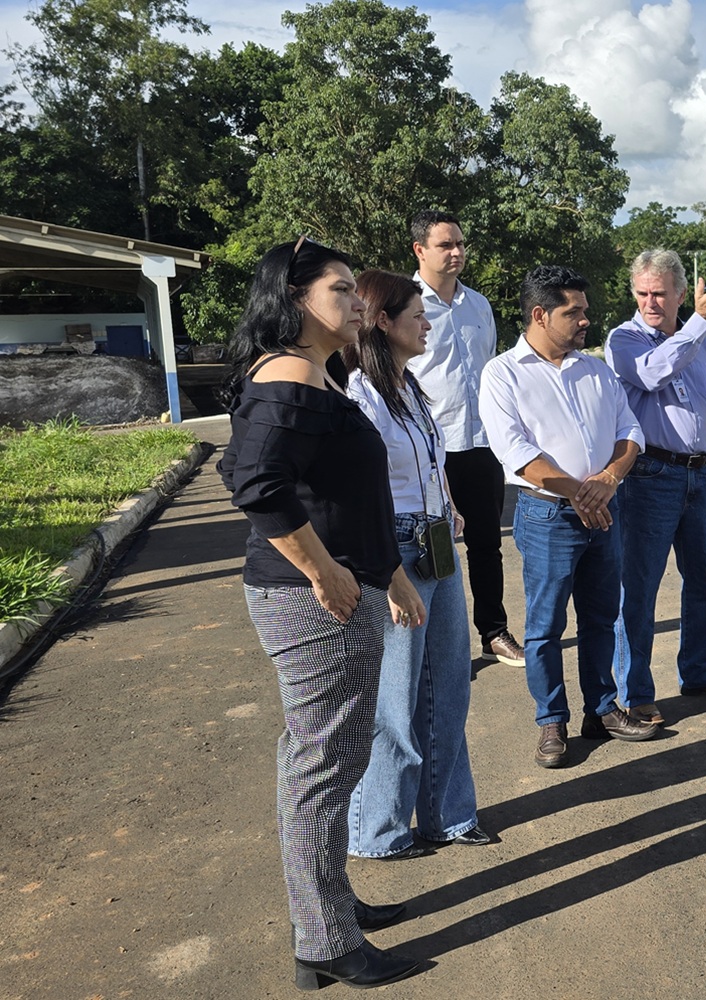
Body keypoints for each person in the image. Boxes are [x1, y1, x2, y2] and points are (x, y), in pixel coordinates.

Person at [218, 237, 425, 990]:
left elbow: (341, 494)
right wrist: (325, 569)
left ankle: (330, 903)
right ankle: (324, 943)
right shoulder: (291, 374)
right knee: (319, 769)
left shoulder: (317, 375)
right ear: (295, 298)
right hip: (309, 601)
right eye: (340, 289)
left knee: (332, 762)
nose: (355, 302)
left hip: (345, 586)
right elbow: (254, 483)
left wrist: (389, 576)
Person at [481, 265, 658, 768]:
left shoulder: (596, 369)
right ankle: (551, 720)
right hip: (547, 516)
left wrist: (608, 480)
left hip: (604, 510)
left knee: (603, 615)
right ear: (539, 314)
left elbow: (630, 430)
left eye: (584, 310)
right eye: (573, 311)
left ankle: (601, 710)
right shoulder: (503, 374)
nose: (585, 319)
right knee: (545, 625)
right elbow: (513, 450)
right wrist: (580, 492)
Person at [341, 269, 488, 860]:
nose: (428, 324)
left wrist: (448, 509)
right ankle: (377, 829)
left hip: (434, 541)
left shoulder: (409, 389)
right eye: (417, 315)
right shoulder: (361, 396)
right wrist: (389, 574)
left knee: (449, 684)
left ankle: (448, 816)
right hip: (394, 549)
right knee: (396, 698)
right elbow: (361, 494)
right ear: (383, 321)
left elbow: (432, 464)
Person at [605, 249, 706, 726]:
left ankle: (699, 671)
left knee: (703, 581)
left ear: (678, 293)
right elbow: (652, 373)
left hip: (701, 471)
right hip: (650, 473)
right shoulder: (624, 339)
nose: (651, 302)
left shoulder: (701, 342)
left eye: (660, 293)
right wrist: (699, 322)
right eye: (642, 293)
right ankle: (635, 693)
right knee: (640, 588)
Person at [407, 209, 524, 668]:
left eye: (460, 243)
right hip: (429, 447)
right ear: (420, 250)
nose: (456, 252)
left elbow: (492, 371)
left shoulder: (479, 305)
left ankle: (493, 632)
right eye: (445, 245)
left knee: (486, 543)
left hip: (481, 442)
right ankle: (437, 647)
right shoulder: (404, 306)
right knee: (431, 545)